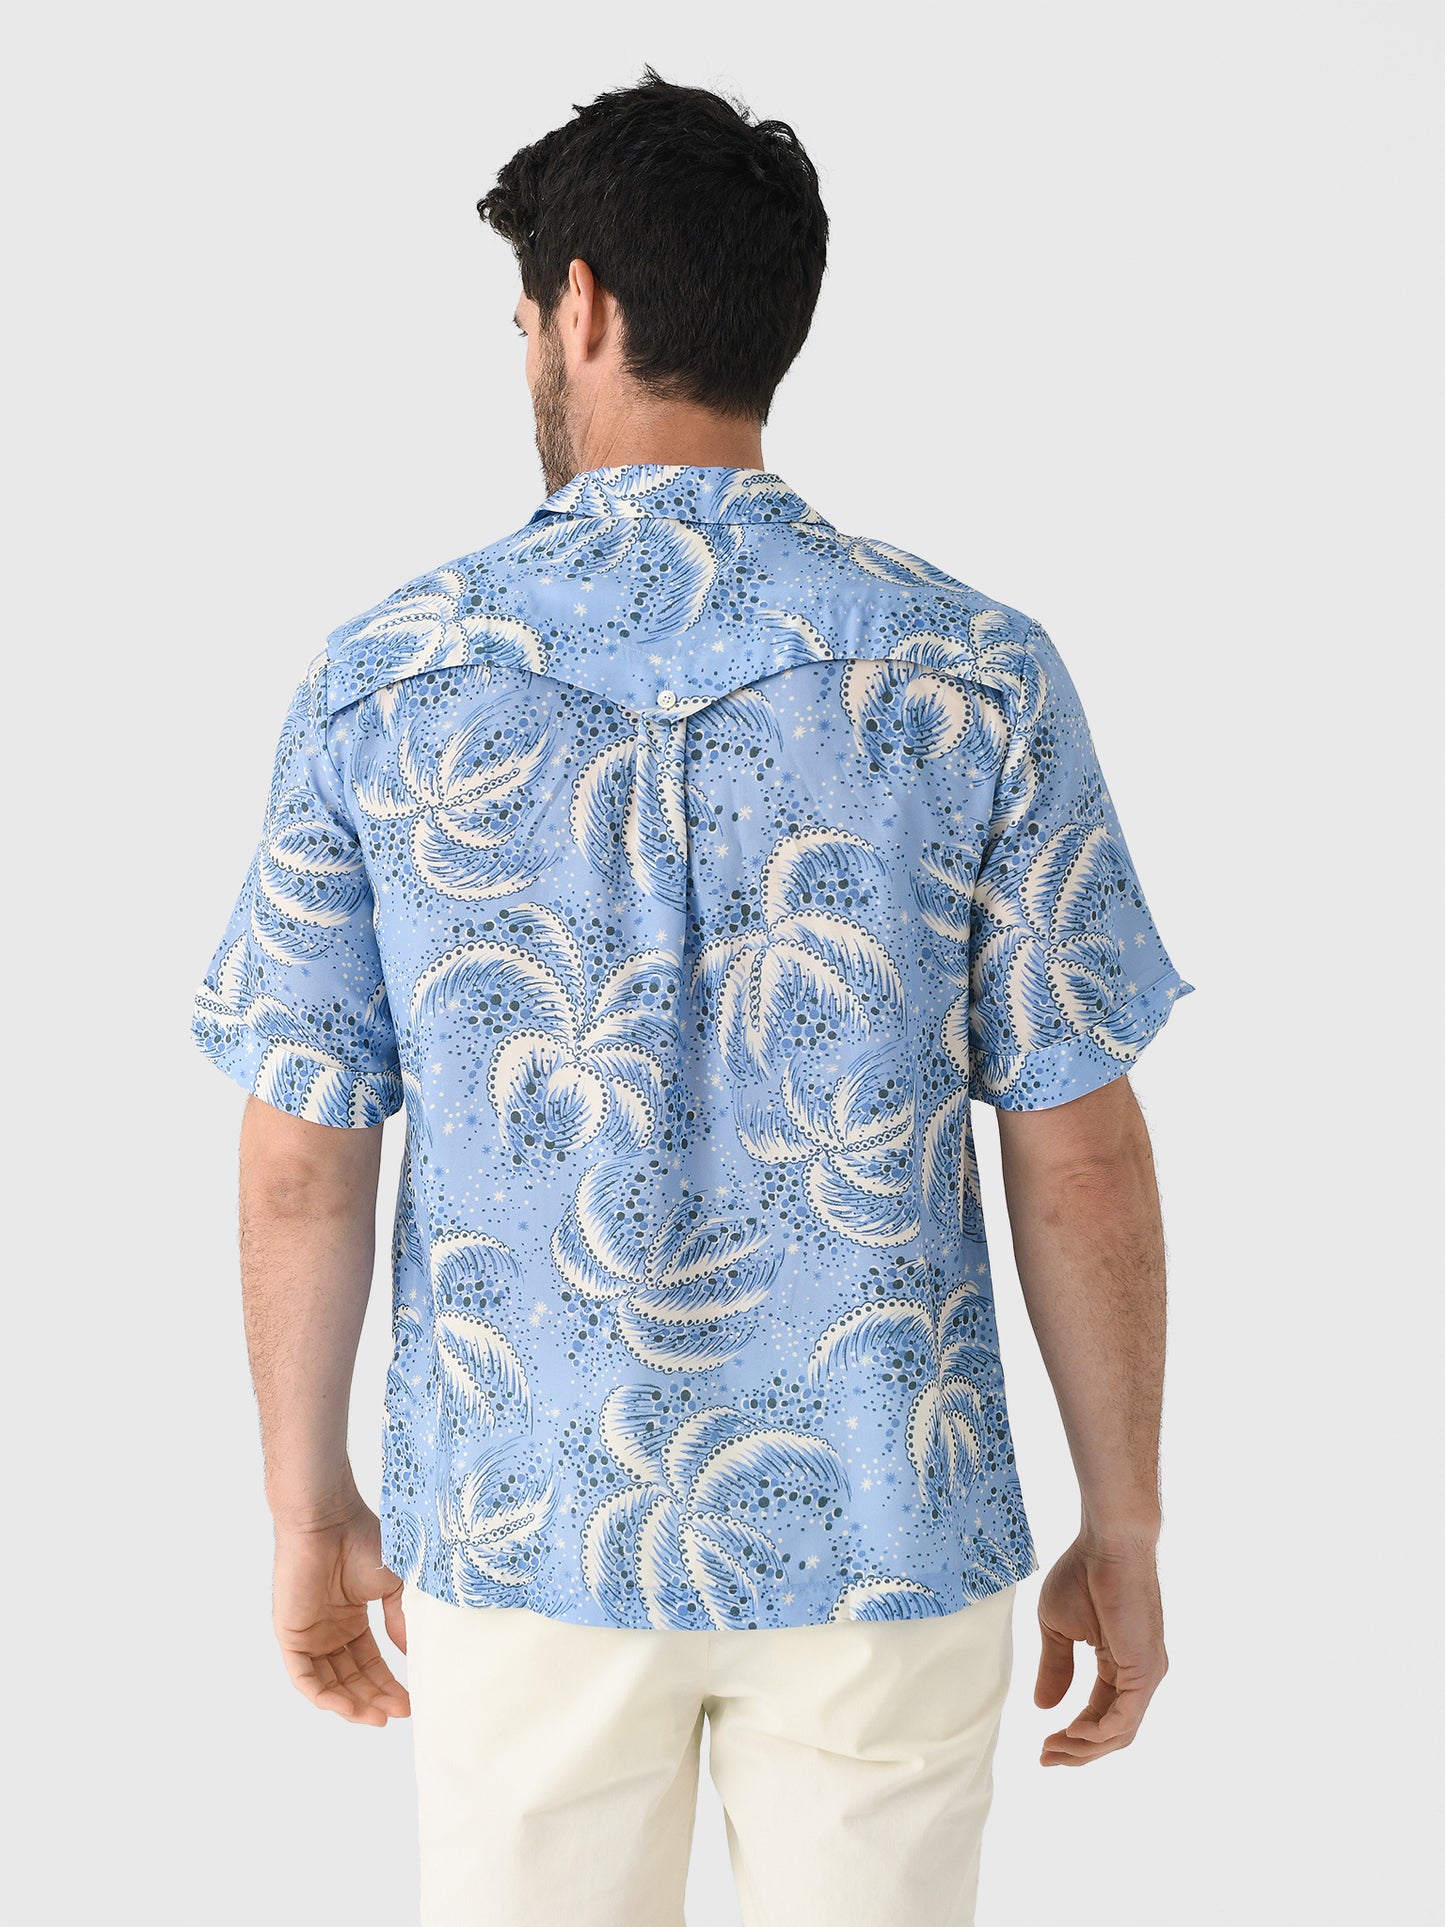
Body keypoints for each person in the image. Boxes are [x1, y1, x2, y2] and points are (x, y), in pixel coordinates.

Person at [189, 66, 1195, 1927]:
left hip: (522, 1521)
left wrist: (307, 1506)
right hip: (888, 1526)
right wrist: (1120, 1519)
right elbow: (1079, 1151)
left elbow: (298, 1161)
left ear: (577, 304)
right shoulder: (973, 674)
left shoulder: (385, 679)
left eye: (520, 316)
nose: (524, 348)